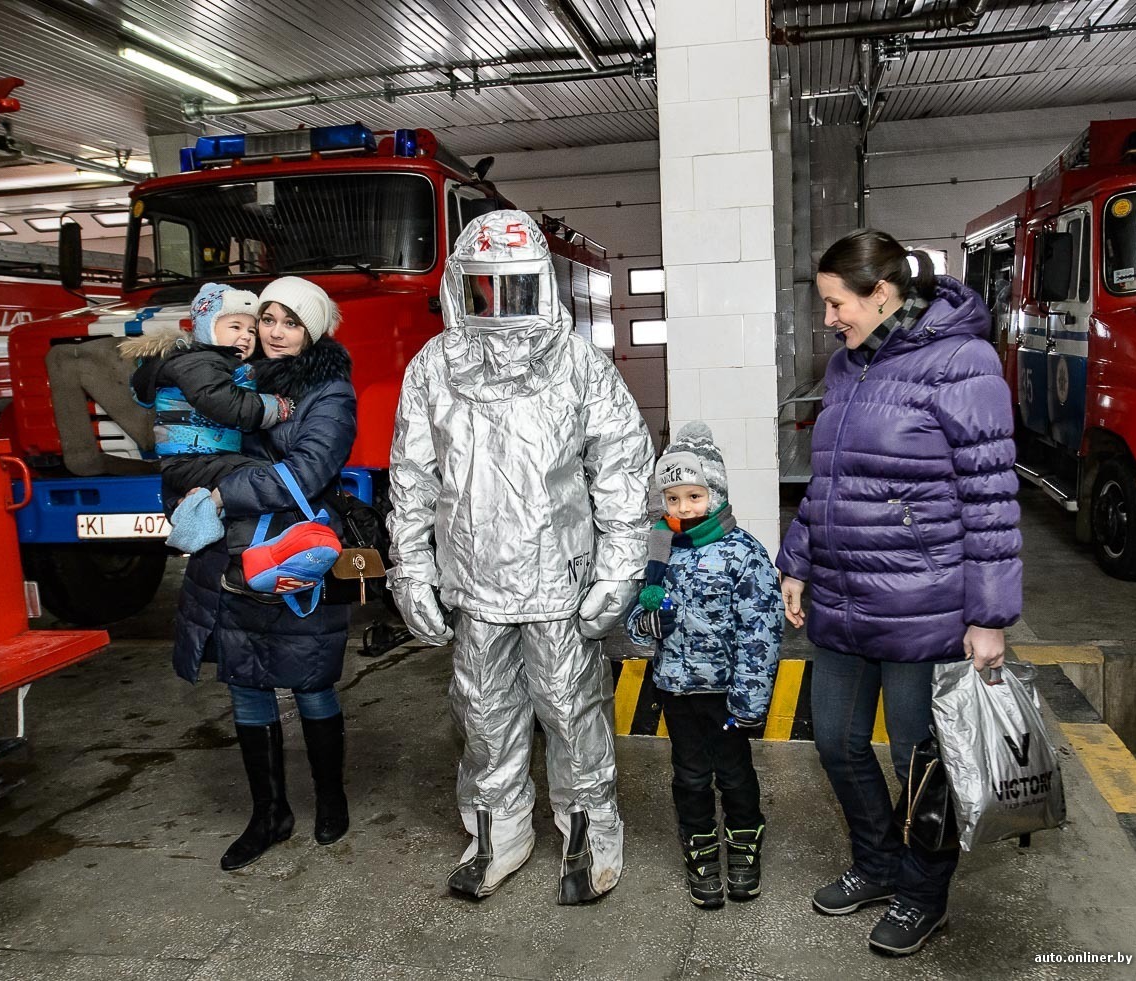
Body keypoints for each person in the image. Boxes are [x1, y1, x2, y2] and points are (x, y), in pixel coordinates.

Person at [388, 209, 653, 904]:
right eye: (482, 289)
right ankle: (495, 834)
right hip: (473, 580)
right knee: (481, 713)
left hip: (556, 580)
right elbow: (412, 475)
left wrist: (621, 564)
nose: (498, 307)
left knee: (571, 712)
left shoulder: (577, 365)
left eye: (513, 288)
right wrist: (411, 565)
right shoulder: (434, 367)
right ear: (457, 287)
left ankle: (587, 834)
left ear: (540, 284)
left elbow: (621, 466)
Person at [776, 229, 1022, 956]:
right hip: (843, 597)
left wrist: (986, 615)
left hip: (923, 604)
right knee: (836, 741)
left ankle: (923, 894)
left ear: (879, 293)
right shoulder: (848, 365)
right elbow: (828, 482)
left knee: (919, 763)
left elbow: (990, 500)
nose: (827, 319)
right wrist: (796, 561)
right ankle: (877, 864)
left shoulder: (963, 362)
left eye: (834, 303)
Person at [171, 275, 357, 871]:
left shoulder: (330, 391)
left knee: (310, 679)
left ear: (313, 329)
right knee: (246, 680)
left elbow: (305, 473)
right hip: (228, 554)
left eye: (290, 322)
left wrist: (220, 495)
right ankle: (269, 812)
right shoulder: (235, 376)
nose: (275, 333)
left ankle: (331, 799)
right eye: (267, 319)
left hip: (293, 548)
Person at [627, 423, 782, 909]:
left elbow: (762, 630)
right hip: (675, 688)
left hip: (727, 693)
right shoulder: (659, 548)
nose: (682, 509)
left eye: (693, 496)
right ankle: (700, 849)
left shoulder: (743, 552)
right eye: (672, 499)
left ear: (715, 494)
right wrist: (648, 623)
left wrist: (750, 699)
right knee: (690, 776)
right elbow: (634, 621)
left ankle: (743, 845)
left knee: (734, 774)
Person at [121, 283, 294, 550]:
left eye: (251, 330)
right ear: (207, 327)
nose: (246, 336)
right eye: (235, 327)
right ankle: (207, 522)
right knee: (259, 477)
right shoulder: (198, 363)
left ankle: (199, 506)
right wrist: (274, 407)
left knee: (251, 478)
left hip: (202, 458)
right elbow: (222, 403)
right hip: (194, 459)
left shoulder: (219, 362)